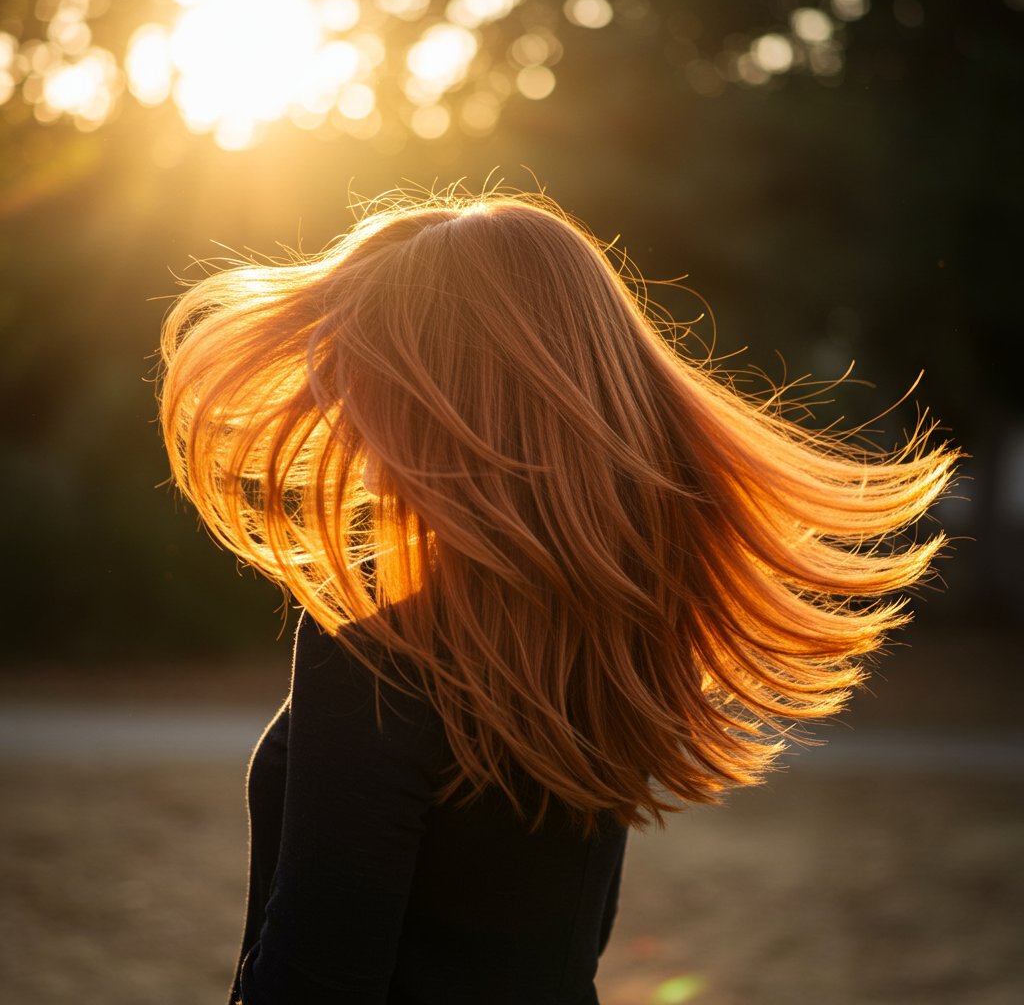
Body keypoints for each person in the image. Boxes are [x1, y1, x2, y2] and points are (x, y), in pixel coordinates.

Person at [157, 191, 958, 1004]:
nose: (343, 412)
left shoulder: (381, 658)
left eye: (366, 379)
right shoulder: (612, 635)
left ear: (449, 401)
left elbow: (311, 986)